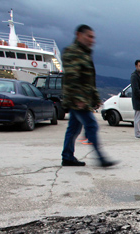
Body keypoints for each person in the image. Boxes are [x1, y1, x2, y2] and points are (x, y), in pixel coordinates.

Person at [61, 24, 115, 167]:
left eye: (93, 37)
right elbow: (72, 78)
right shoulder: (72, 52)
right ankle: (101, 158)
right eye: (89, 36)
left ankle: (67, 156)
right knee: (91, 125)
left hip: (82, 99)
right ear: (79, 35)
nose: (92, 40)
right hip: (78, 100)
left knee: (73, 129)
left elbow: (89, 81)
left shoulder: (85, 54)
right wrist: (78, 99)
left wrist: (96, 99)